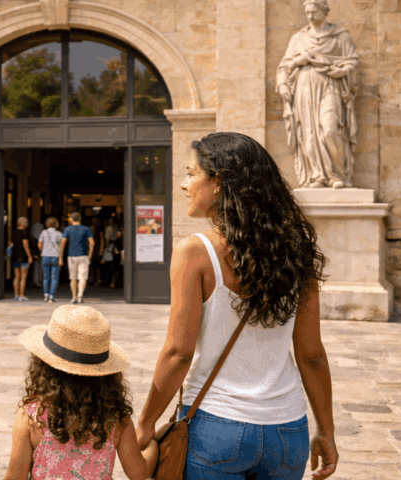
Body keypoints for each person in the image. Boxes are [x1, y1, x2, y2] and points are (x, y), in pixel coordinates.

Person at [135, 132, 337, 480]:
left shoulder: (195, 252)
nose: (184, 184)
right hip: (287, 429)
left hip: (216, 426)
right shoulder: (295, 252)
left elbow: (178, 353)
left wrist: (145, 423)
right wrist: (327, 431)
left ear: (218, 183)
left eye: (191, 174)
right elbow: (311, 355)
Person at [2, 305, 158, 480]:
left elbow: (14, 477)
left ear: (43, 367)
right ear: (107, 375)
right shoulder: (117, 420)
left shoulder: (31, 418)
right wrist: (153, 445)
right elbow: (139, 473)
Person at [276, 0, 359, 189]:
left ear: (324, 11)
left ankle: (338, 174)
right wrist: (282, 84)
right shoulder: (298, 38)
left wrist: (342, 70)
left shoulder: (340, 36)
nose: (311, 16)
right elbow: (284, 66)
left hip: (330, 84)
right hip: (304, 87)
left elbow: (353, 62)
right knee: (309, 134)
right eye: (307, 12)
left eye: (314, 12)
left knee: (330, 129)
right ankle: (318, 176)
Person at [59, 212, 94, 304]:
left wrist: (60, 257)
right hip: (83, 255)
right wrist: (90, 254)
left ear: (71, 219)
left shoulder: (67, 229)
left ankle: (74, 297)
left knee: (73, 278)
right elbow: (92, 242)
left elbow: (62, 243)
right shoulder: (86, 229)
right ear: (80, 219)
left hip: (72, 256)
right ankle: (80, 296)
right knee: (82, 277)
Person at [37, 217, 63, 302]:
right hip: (55, 256)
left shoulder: (43, 232)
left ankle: (45, 295)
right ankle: (51, 297)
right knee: (54, 277)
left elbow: (40, 244)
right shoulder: (59, 233)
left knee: (46, 277)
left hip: (45, 256)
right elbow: (62, 245)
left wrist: (43, 250)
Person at [12, 216, 34, 301]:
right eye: (27, 222)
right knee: (23, 277)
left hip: (15, 256)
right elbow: (25, 244)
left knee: (16, 277)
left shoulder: (14, 232)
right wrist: (29, 255)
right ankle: (21, 295)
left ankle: (16, 295)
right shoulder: (25, 232)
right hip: (23, 256)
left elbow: (10, 243)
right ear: (24, 223)